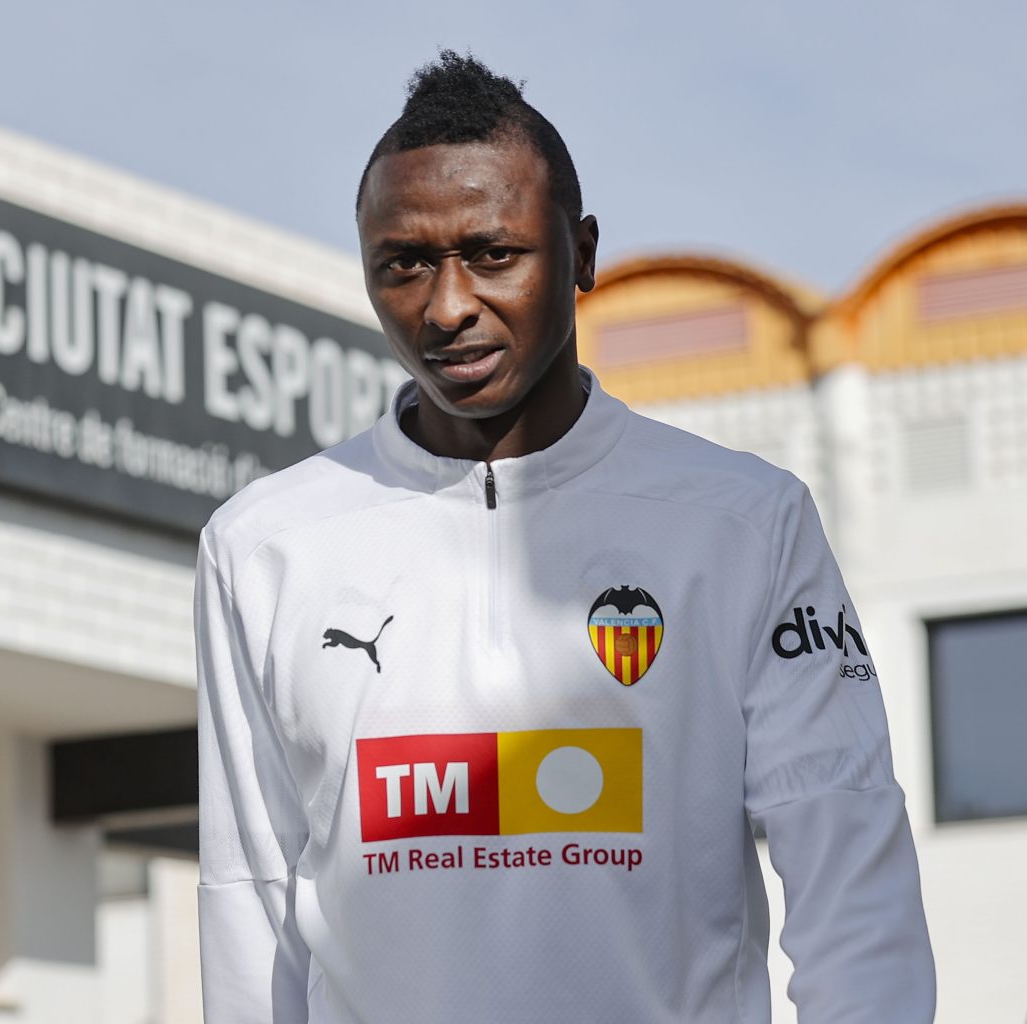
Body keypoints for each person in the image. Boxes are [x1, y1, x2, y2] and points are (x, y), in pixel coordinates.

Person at [194, 51, 935, 1023]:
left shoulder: (745, 525)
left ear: (581, 254)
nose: (447, 305)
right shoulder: (266, 548)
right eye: (404, 264)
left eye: (493, 254)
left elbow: (851, 881)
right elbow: (248, 905)